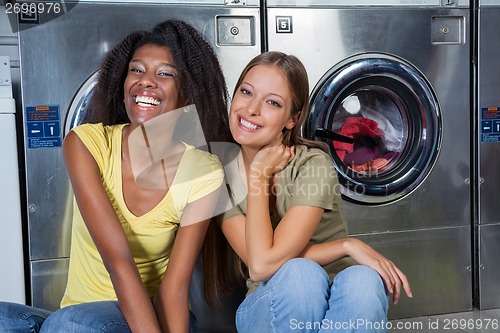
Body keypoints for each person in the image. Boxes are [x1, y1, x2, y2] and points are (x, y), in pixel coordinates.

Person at [0, 19, 233, 333]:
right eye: (136, 70)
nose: (145, 82)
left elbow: (173, 287)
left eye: (165, 73)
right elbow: (117, 257)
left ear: (188, 92)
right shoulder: (86, 143)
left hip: (150, 319)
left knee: (68, 324)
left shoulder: (202, 172)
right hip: (75, 319)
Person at [211, 51, 413, 333]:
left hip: (339, 303)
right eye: (246, 92)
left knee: (364, 280)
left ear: (292, 119)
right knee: (300, 275)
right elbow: (261, 266)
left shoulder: (312, 164)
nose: (251, 109)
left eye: (272, 102)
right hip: (267, 307)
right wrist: (346, 245)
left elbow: (276, 257)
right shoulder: (219, 177)